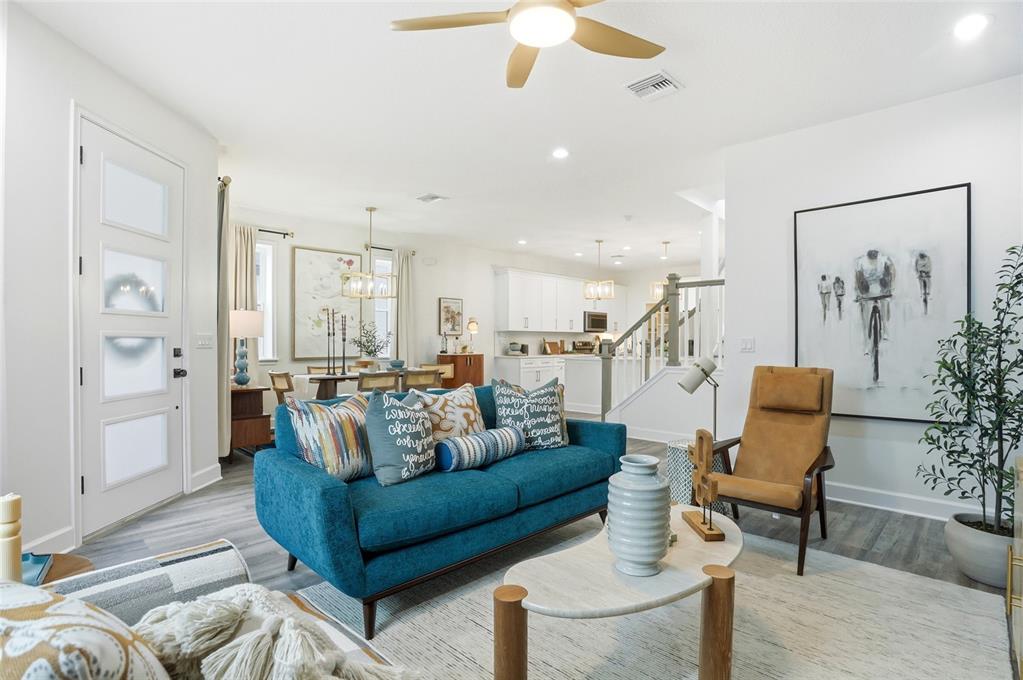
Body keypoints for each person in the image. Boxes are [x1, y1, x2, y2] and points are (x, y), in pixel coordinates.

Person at [855, 249, 895, 354]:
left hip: (882, 289)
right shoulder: (861, 261)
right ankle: (866, 345)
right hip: (867, 291)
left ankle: (885, 328)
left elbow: (892, 271)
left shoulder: (884, 259)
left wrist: (891, 286)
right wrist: (859, 293)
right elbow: (858, 277)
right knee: (866, 320)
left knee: (885, 305)